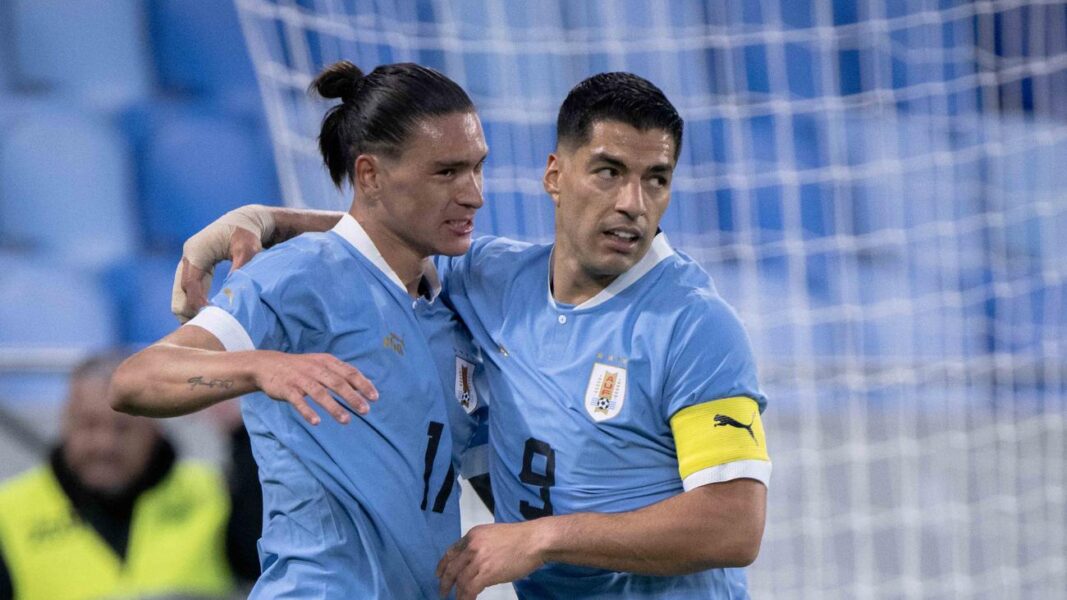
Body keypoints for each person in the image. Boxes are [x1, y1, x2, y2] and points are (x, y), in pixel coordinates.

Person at [174, 71, 771, 600]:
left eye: (656, 179)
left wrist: (541, 538)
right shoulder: (492, 279)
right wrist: (266, 219)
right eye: (609, 173)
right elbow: (388, 229)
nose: (633, 203)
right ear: (555, 175)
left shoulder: (694, 324)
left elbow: (734, 526)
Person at [111, 61, 491, 598]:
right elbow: (134, 380)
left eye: (477, 168)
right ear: (370, 176)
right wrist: (261, 366)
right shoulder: (301, 274)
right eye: (446, 173)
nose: (474, 194)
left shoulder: (451, 303)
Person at [0, 352, 260, 600]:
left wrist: (243, 436)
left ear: (155, 427)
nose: (105, 444)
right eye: (89, 425)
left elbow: (259, 564)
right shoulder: (8, 511)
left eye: (123, 428)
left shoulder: (212, 493)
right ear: (65, 423)